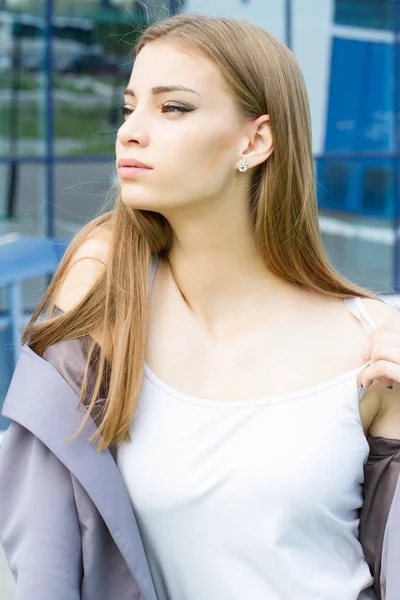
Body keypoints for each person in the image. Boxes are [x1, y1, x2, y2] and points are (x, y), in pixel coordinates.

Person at [1, 12, 400, 600]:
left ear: (255, 140)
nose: (131, 131)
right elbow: (43, 540)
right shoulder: (107, 281)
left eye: (173, 108)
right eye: (129, 106)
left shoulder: (372, 339)